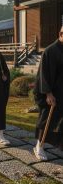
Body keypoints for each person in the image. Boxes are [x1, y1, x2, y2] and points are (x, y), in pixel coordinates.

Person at [33, 27, 63, 161]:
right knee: (47, 119)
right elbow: (43, 74)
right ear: (61, 34)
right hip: (53, 92)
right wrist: (48, 93)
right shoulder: (50, 51)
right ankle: (39, 145)